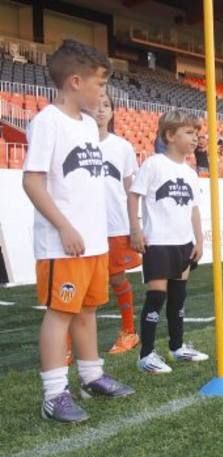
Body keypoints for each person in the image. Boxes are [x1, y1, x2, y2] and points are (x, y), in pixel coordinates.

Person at [22, 39, 134, 424]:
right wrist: (65, 227)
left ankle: (92, 377)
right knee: (60, 314)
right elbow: (33, 182)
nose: (103, 93)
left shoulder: (88, 124)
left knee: (87, 311)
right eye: (99, 85)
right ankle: (54, 395)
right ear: (74, 82)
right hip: (62, 243)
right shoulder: (47, 122)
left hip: (94, 242)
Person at [128, 110, 209, 374]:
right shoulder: (154, 164)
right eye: (188, 132)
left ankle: (177, 347)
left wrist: (199, 239)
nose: (195, 138)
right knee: (156, 297)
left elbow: (194, 209)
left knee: (178, 297)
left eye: (196, 133)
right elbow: (134, 196)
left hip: (183, 243)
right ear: (170, 135)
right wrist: (136, 229)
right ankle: (146, 354)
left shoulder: (190, 172)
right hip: (159, 243)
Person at [94, 92, 143, 354]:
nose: (101, 110)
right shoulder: (75, 143)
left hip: (114, 225)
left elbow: (130, 190)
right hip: (83, 226)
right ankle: (67, 344)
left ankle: (128, 332)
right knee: (81, 284)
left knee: (117, 279)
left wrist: (135, 226)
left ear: (113, 112)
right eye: (96, 105)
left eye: (106, 106)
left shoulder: (121, 147)